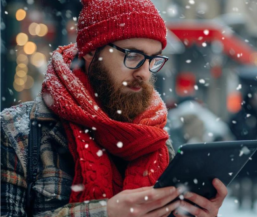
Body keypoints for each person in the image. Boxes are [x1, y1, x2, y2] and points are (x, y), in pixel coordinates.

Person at [0, 0, 227, 216]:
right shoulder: (17, 131)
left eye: (153, 59)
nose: (144, 73)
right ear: (90, 51)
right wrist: (105, 213)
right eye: (133, 55)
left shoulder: (155, 138)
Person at [228, 92, 257, 210]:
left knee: (246, 177)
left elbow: (232, 128)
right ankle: (243, 202)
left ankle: (246, 202)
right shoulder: (252, 115)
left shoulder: (247, 114)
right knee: (245, 177)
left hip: (244, 149)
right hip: (247, 149)